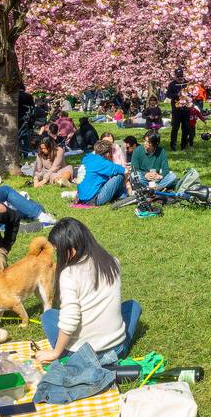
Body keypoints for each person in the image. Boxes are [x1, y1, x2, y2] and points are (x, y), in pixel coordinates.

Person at [35, 218, 140, 362]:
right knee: (133, 306)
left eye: (58, 250)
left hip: (82, 356)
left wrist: (55, 353)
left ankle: (69, 353)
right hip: (117, 349)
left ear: (70, 249)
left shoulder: (70, 274)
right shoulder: (112, 262)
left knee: (49, 316)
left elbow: (70, 321)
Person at [75, 138, 126, 207]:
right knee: (120, 175)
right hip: (94, 199)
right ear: (108, 154)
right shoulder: (102, 163)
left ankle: (120, 196)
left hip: (81, 197)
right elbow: (124, 170)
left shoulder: (88, 158)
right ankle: (122, 197)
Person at [166, 68, 187, 151]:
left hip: (186, 109)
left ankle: (183, 146)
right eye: (178, 76)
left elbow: (192, 93)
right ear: (175, 76)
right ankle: (173, 145)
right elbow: (168, 94)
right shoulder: (172, 84)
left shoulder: (187, 83)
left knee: (185, 128)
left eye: (181, 76)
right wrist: (176, 95)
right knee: (175, 128)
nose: (180, 78)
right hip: (176, 110)